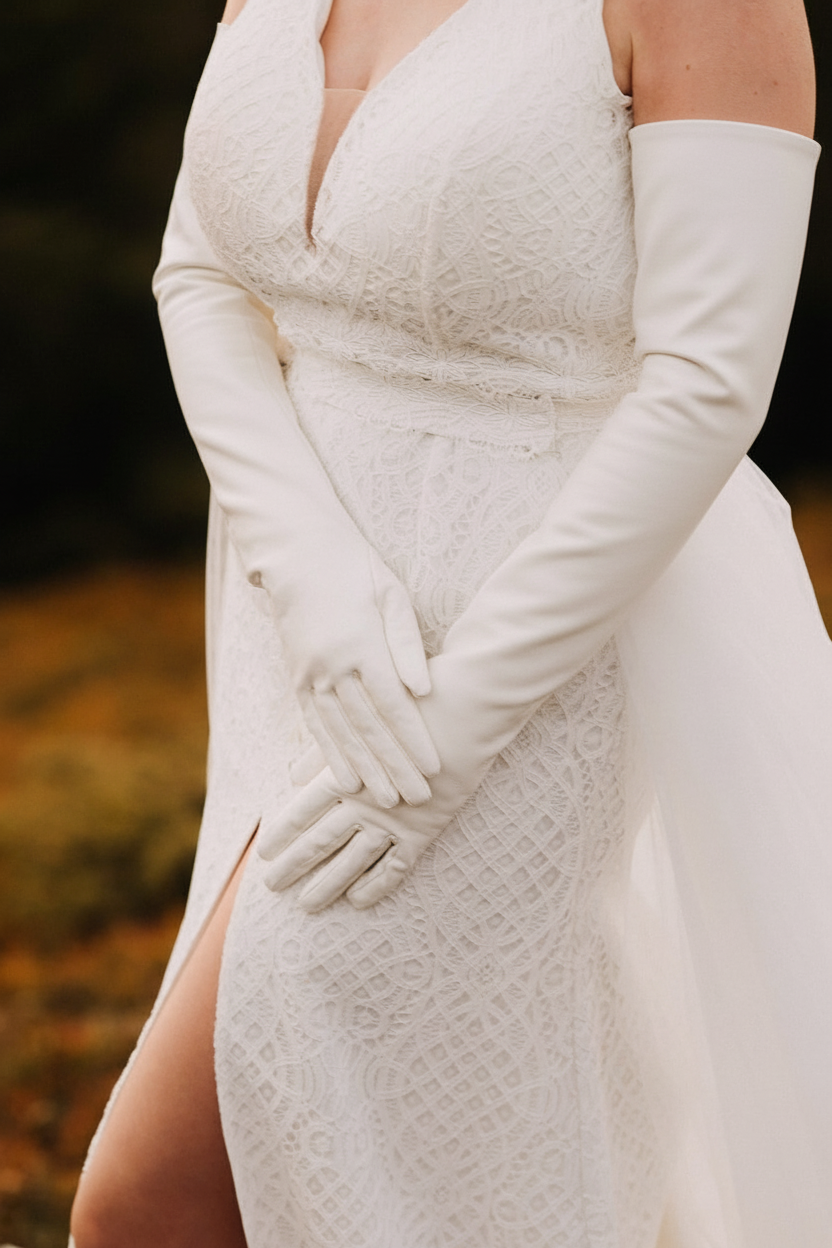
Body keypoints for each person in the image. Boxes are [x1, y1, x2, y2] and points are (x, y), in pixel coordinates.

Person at [70, 0, 832, 1244]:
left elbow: (706, 381)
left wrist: (458, 726)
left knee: (155, 1200)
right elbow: (199, 268)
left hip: (529, 657)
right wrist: (304, 562)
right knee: (420, 1159)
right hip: (297, 634)